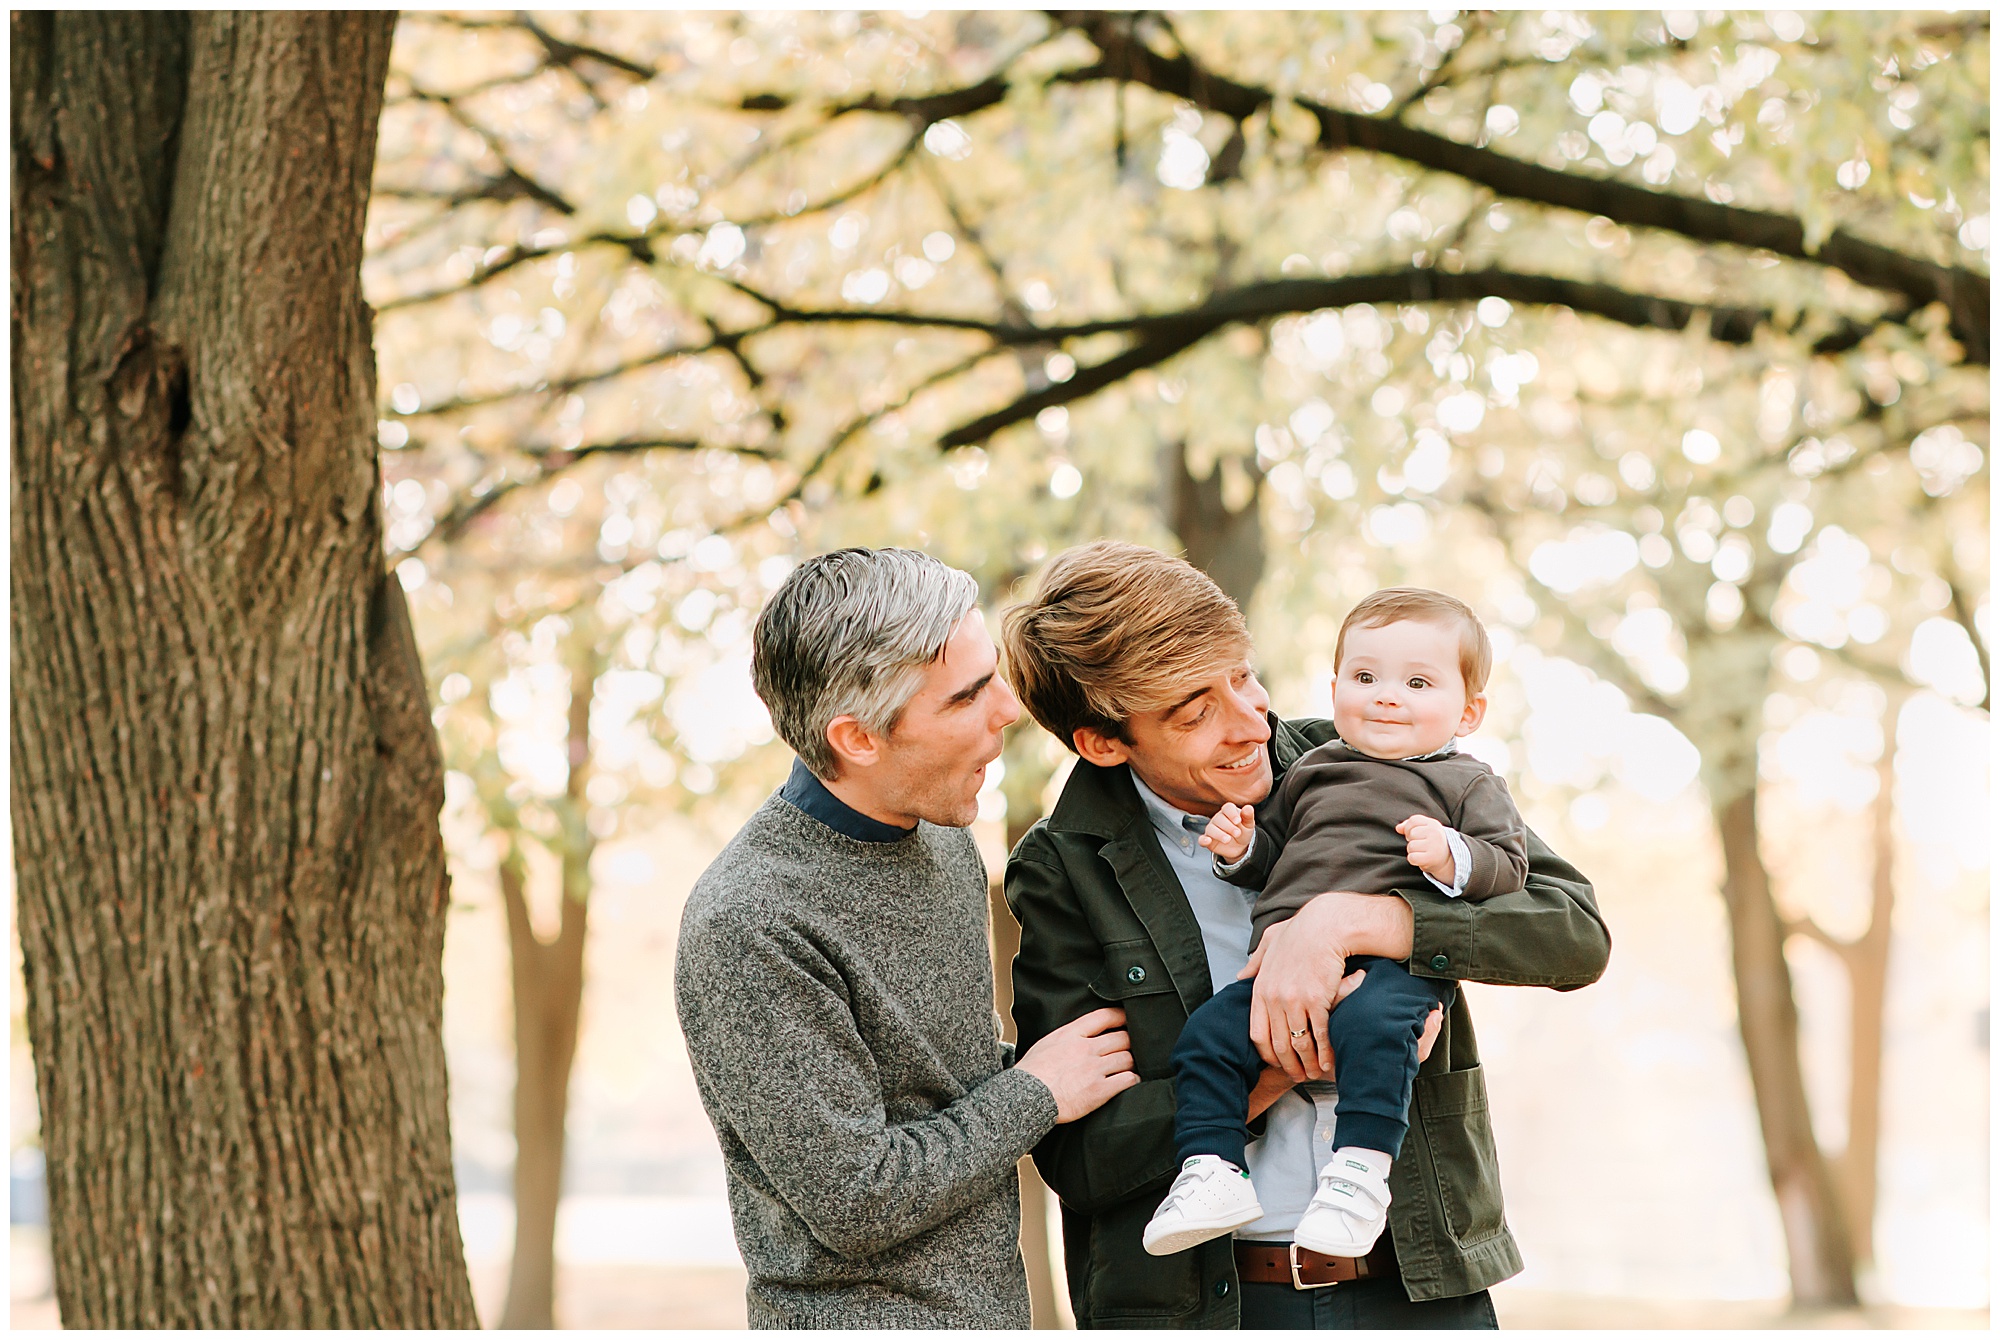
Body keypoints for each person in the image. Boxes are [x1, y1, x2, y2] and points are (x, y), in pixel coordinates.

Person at [1001, 541, 1610, 1329]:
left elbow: (1574, 932)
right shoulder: (1061, 874)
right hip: (1212, 1309)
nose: (1251, 719)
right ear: (1104, 743)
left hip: (1419, 1286)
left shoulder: (1367, 752)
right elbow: (1085, 1161)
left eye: (1244, 676)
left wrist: (1362, 921)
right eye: (1197, 711)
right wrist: (1283, 1063)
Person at [676, 547, 1139, 1328]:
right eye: (966, 697)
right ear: (857, 739)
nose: (1008, 711)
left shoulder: (944, 844)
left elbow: (942, 1084)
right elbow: (855, 1197)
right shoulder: (751, 923)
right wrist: (1037, 1090)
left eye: (992, 677)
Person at [1143, 587, 1529, 1264]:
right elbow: (1277, 856)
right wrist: (1239, 850)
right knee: (1207, 1036)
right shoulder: (1310, 770)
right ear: (1335, 687)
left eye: (1416, 683)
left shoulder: (1467, 784)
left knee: (1373, 1030)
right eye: (1365, 677)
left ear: (1468, 711)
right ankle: (1211, 1169)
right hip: (1280, 969)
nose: (1386, 696)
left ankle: (1359, 1172)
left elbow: (1510, 867)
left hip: (1391, 969)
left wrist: (1453, 856)